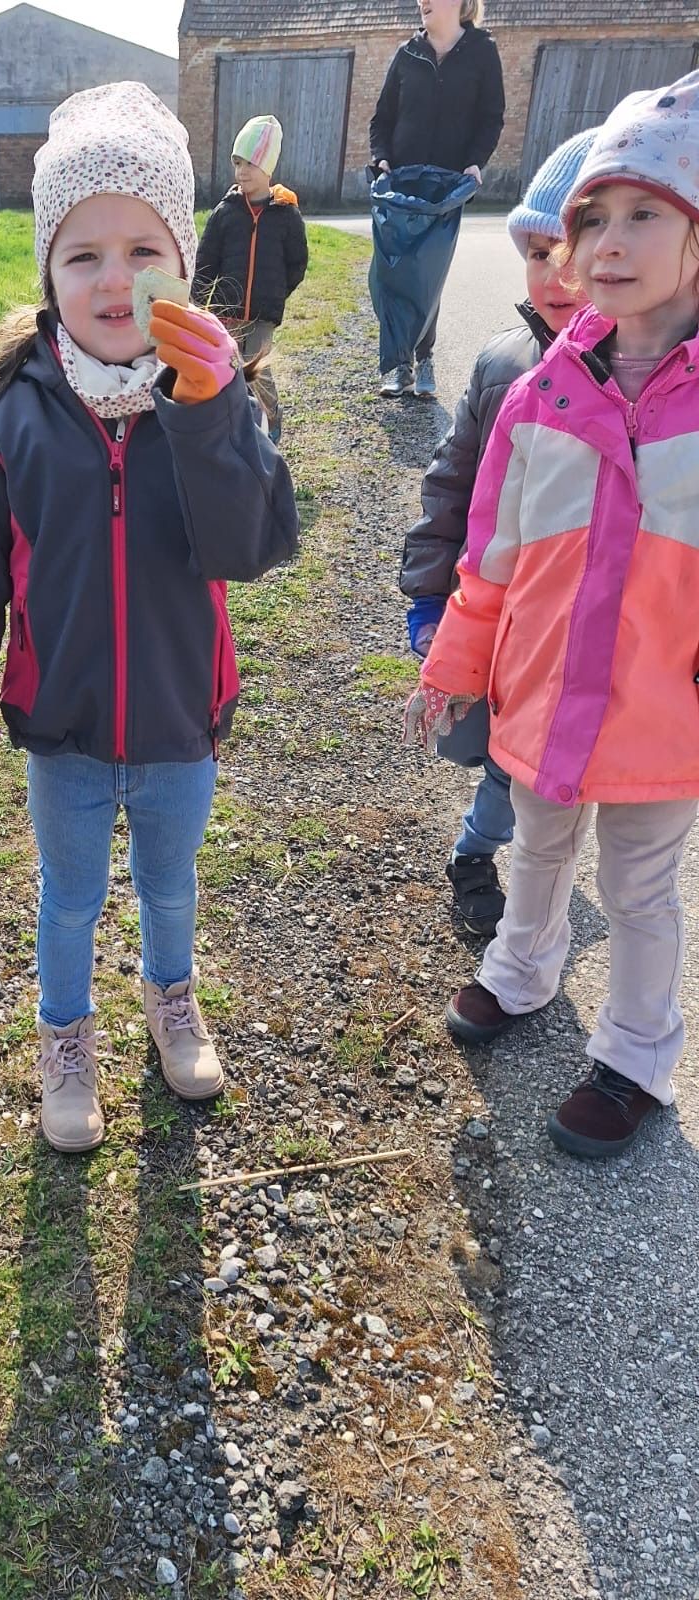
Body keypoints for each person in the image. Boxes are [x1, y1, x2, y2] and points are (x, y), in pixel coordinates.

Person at [0, 81, 299, 1153]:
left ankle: (172, 998)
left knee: (170, 890)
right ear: (48, 272)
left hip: (180, 723)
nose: (115, 279)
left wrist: (213, 414)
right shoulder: (11, 418)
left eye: (142, 250)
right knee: (69, 898)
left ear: (183, 260)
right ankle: (66, 1036)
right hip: (65, 730)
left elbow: (254, 547)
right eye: (82, 255)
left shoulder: (216, 393)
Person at [405, 70, 699, 1160]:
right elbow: (491, 558)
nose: (608, 242)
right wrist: (452, 666)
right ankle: (521, 969)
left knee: (637, 887)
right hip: (542, 691)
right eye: (591, 219)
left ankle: (634, 1054)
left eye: (643, 214)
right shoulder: (541, 397)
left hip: (662, 710)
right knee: (535, 847)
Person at [400, 127, 597, 937]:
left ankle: (507, 856)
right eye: (538, 252)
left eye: (573, 253)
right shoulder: (501, 366)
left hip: (590, 623)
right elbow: (450, 486)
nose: (555, 275)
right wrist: (426, 596)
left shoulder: (657, 388)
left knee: (555, 764)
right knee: (500, 758)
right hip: (500, 614)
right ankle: (476, 851)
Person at [369, 0, 505, 398]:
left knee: (427, 275)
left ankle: (422, 358)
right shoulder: (407, 54)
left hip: (446, 188)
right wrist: (382, 157)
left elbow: (491, 117)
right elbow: (382, 118)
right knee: (390, 274)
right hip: (401, 185)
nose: (422, 1)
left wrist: (475, 162)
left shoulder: (482, 52)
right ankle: (399, 362)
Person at [193, 113, 309, 443]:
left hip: (262, 315)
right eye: (237, 163)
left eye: (251, 164)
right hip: (226, 310)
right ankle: (229, 426)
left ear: (268, 168)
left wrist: (276, 295)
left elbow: (297, 263)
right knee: (227, 367)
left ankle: (271, 420)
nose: (242, 171)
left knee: (258, 370)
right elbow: (206, 261)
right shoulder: (225, 212)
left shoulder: (286, 214)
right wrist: (198, 302)